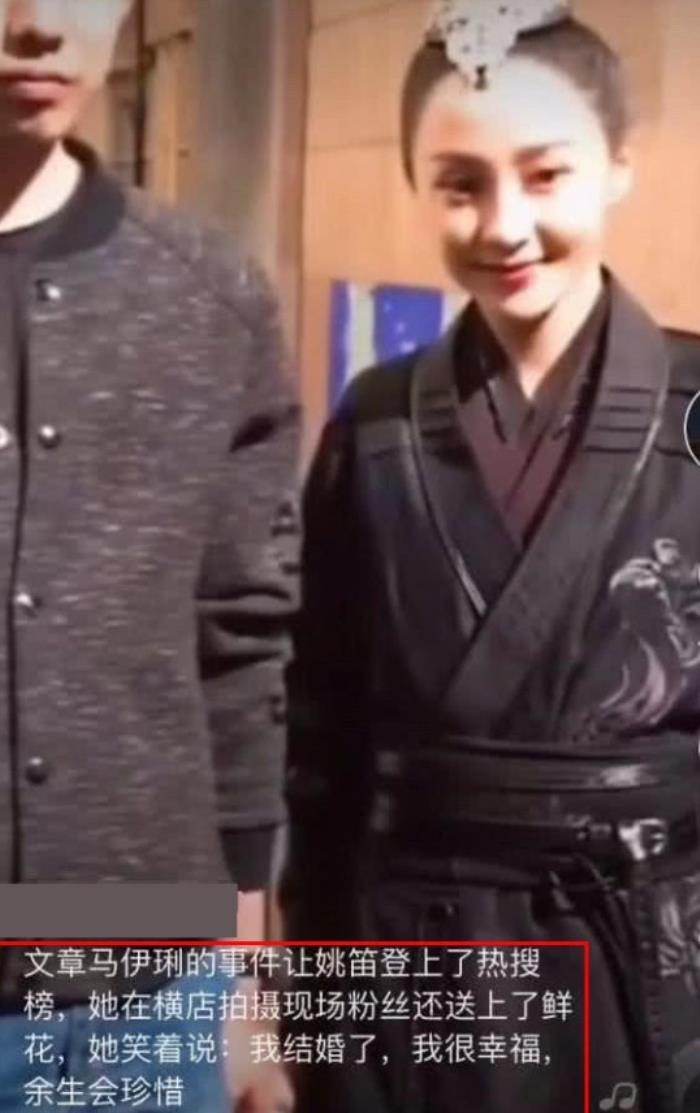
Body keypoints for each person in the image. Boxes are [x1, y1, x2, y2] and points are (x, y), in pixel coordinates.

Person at [283, 2, 700, 1111]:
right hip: (410, 956)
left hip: (647, 957)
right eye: (460, 185)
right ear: (416, 186)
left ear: (618, 166)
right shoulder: (374, 424)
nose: (504, 226)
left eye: (545, 175)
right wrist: (309, 1006)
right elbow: (317, 743)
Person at [0, 1, 298, 1110]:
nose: (42, 24)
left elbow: (242, 649)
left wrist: (246, 986)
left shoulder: (207, 296)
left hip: (145, 993)